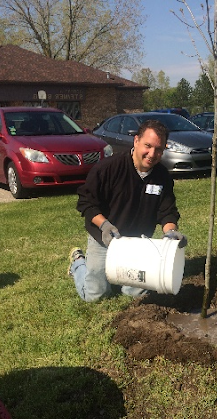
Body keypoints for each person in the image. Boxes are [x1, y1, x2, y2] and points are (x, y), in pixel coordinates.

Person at [68, 119, 187, 302]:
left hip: (135, 243)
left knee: (135, 293)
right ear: (136, 141)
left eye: (159, 149)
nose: (152, 154)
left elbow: (167, 211)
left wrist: (170, 233)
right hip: (105, 238)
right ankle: (78, 262)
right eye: (148, 145)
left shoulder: (162, 176)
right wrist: (105, 226)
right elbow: (87, 203)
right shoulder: (108, 168)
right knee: (95, 295)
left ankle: (118, 272)